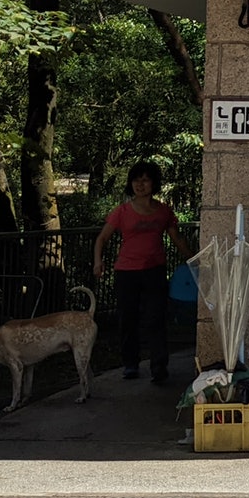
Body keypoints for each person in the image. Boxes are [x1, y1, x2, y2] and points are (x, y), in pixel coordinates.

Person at [94, 162, 190, 383]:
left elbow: (177, 239)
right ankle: (130, 364)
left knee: (156, 319)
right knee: (128, 319)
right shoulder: (122, 211)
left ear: (153, 183)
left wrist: (194, 262)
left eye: (145, 180)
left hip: (154, 272)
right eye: (136, 180)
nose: (140, 184)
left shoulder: (164, 211)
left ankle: (159, 367)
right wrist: (98, 262)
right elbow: (102, 238)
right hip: (126, 273)